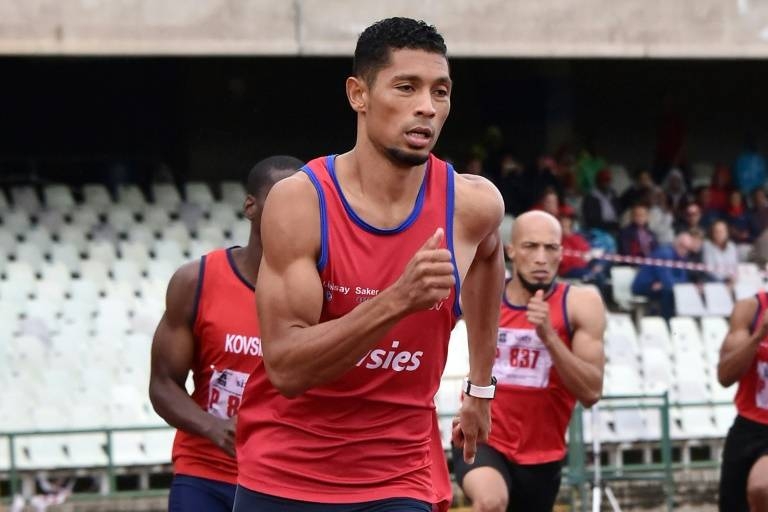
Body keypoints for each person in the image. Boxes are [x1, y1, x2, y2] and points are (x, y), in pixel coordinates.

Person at [234, 17, 505, 512]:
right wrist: (398, 301)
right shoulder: (301, 203)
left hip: (399, 477)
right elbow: (287, 368)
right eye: (406, 87)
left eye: (440, 91)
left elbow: (489, 258)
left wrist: (481, 387)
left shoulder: (473, 206)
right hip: (285, 474)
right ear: (358, 95)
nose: (427, 106)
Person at [148, 155, 303, 512]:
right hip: (206, 473)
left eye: (305, 202)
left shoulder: (325, 290)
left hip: (286, 478)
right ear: (251, 205)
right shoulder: (196, 281)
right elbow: (162, 383)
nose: (295, 212)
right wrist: (215, 428)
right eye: (283, 199)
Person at [452, 210, 606, 512]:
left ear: (561, 253)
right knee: (491, 502)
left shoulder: (581, 304)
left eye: (550, 248)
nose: (540, 258)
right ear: (511, 251)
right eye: (530, 246)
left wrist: (549, 336)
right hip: (484, 437)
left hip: (542, 453)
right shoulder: (484, 294)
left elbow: (591, 392)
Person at [717, 293, 768, 512]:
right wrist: (760, 334)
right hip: (750, 426)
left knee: (762, 487)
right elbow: (725, 377)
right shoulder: (750, 309)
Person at [631, 232, 696, 319]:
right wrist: (670, 283)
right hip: (643, 285)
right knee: (669, 292)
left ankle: (683, 321)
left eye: (687, 249)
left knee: (682, 291)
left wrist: (668, 283)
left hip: (658, 285)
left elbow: (683, 279)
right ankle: (667, 322)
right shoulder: (664, 253)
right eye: (682, 246)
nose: (685, 251)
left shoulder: (681, 257)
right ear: (676, 243)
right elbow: (667, 280)